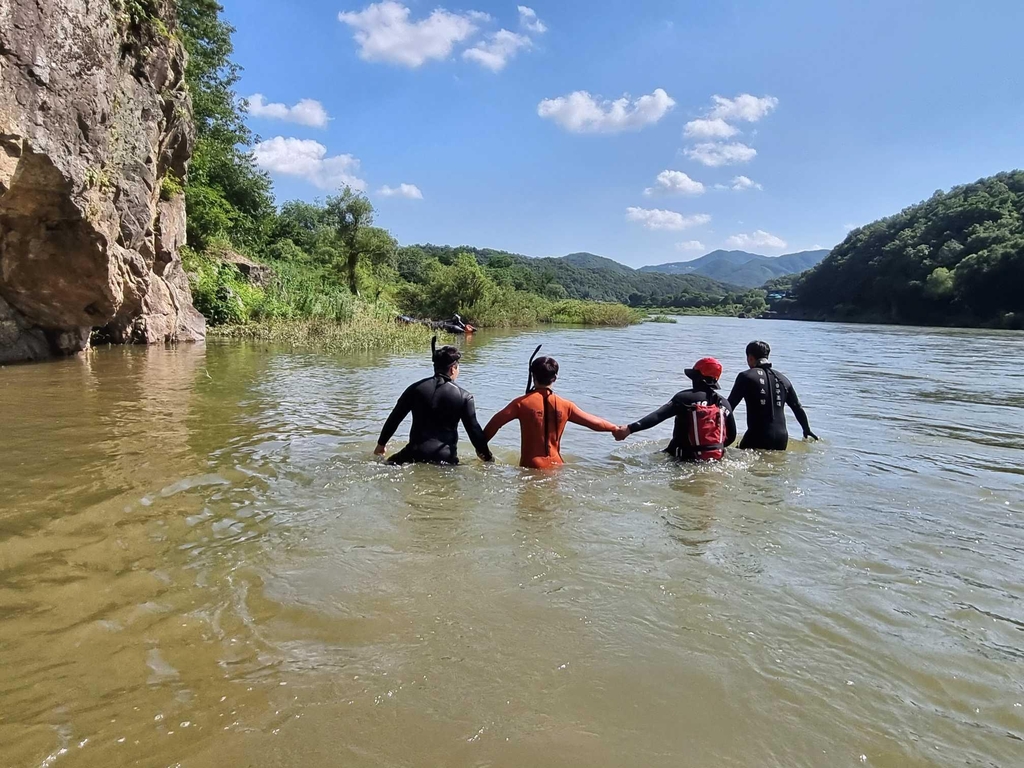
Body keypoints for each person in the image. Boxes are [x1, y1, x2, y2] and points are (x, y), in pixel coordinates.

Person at [484, 356, 620, 469]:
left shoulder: (521, 404)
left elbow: (495, 424)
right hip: (557, 465)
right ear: (554, 378)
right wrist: (615, 428)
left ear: (533, 376)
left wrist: (481, 448)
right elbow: (594, 423)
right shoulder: (567, 406)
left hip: (532, 467)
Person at [375, 339, 493, 464]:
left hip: (413, 454)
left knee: (386, 464)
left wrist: (381, 445)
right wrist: (487, 457)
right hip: (445, 459)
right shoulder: (464, 396)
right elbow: (473, 430)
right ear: (453, 369)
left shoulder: (415, 389)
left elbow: (395, 418)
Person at [613, 357, 737, 461]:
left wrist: (629, 429)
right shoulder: (724, 404)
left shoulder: (684, 398)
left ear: (697, 378)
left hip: (682, 459)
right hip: (713, 460)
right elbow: (731, 436)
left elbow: (658, 416)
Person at [727, 340, 818, 450]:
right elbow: (797, 407)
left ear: (750, 357)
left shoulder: (745, 376)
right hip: (782, 439)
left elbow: (730, 406)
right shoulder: (783, 379)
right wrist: (806, 429)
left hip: (756, 436)